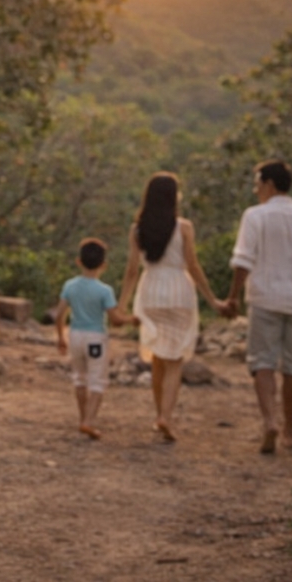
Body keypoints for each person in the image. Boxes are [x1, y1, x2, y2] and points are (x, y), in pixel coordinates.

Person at [222, 159, 292, 455]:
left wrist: (233, 296)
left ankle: (270, 421)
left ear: (269, 185)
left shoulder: (255, 216)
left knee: (262, 363)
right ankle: (290, 432)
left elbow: (243, 260)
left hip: (265, 298)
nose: (256, 190)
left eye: (257, 184)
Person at [118, 172, 226, 442]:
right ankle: (166, 416)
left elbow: (132, 270)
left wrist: (121, 306)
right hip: (179, 291)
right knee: (174, 360)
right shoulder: (184, 227)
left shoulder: (137, 230)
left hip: (151, 292)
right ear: (174, 197)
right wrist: (212, 299)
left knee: (157, 357)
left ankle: (159, 415)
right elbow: (193, 265)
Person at [54, 238, 136, 440]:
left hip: (75, 336)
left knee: (79, 379)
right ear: (103, 265)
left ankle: (84, 419)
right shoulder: (104, 290)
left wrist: (60, 337)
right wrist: (132, 320)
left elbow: (59, 315)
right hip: (96, 338)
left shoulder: (70, 286)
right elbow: (115, 318)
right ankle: (89, 422)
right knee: (97, 381)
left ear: (78, 261)